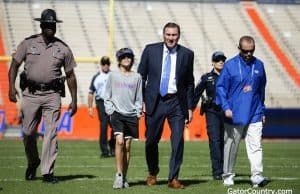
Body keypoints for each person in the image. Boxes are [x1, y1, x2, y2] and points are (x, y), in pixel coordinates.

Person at [8, 9, 77, 183]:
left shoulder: (63, 48)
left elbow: (70, 76)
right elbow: (14, 65)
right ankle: (33, 162)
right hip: (30, 94)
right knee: (28, 132)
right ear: (41, 25)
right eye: (47, 24)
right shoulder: (27, 43)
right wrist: (11, 87)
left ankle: (47, 172)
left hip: (52, 95)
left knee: (51, 132)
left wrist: (74, 100)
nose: (50, 27)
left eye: (52, 24)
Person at [138, 22, 194, 189]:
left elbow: (190, 82)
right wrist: (141, 101)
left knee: (178, 140)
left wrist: (190, 107)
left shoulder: (187, 54)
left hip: (177, 102)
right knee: (150, 141)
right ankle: (152, 172)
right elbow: (141, 77)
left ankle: (173, 178)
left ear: (179, 35)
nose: (171, 38)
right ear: (163, 35)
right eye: (168, 35)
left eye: (174, 35)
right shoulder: (150, 50)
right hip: (154, 102)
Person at [216, 35, 269, 187]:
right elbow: (220, 88)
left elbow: (261, 90)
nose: (248, 54)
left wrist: (262, 110)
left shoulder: (259, 65)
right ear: (239, 48)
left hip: (255, 112)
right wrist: (226, 107)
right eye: (245, 51)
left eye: (251, 51)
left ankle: (257, 176)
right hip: (234, 113)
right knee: (231, 145)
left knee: (255, 145)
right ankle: (228, 175)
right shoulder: (230, 65)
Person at [103, 48, 143, 189]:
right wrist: (110, 111)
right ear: (119, 60)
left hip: (132, 115)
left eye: (129, 57)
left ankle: (125, 176)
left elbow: (139, 96)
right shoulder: (113, 76)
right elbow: (106, 95)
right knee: (119, 142)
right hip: (117, 114)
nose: (127, 59)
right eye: (124, 57)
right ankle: (118, 175)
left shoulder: (137, 77)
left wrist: (138, 112)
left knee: (127, 146)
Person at [193, 51, 226, 180]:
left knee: (226, 141)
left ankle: (226, 170)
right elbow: (196, 94)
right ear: (212, 62)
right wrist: (189, 110)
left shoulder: (229, 76)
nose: (221, 61)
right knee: (215, 140)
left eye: (223, 59)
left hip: (227, 112)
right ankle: (217, 171)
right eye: (218, 60)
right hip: (212, 111)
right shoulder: (206, 78)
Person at [88, 56, 115, 158]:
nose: (105, 66)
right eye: (104, 64)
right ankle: (104, 151)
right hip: (101, 102)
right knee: (103, 126)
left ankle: (112, 146)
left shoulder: (114, 75)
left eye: (107, 63)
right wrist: (90, 107)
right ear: (101, 65)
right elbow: (91, 93)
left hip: (112, 102)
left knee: (114, 126)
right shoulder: (96, 77)